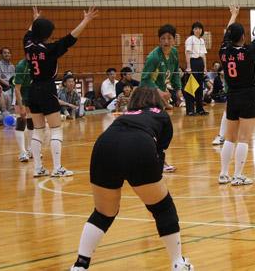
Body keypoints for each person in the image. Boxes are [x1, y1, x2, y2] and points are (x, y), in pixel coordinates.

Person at [70, 87, 194, 271]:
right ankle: (178, 263)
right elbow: (159, 153)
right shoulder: (161, 114)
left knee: (103, 213)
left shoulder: (125, 115)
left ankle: (80, 265)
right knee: (162, 207)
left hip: (104, 145)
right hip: (139, 144)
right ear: (156, 100)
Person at [25, 6, 97, 178]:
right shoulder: (50, 49)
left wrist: (35, 20)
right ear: (47, 34)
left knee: (38, 130)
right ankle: (57, 168)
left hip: (32, 89)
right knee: (56, 129)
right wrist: (86, 20)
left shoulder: (27, 45)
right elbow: (71, 38)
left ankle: (38, 168)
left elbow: (29, 32)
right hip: (46, 89)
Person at [217, 1, 255, 186]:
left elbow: (227, 35)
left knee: (230, 138)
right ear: (243, 36)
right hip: (248, 95)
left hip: (232, 96)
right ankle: (238, 175)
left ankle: (223, 174)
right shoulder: (249, 51)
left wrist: (233, 15)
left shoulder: (223, 51)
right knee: (243, 138)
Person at [140, 24, 183, 174]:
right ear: (159, 40)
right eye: (163, 38)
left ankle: (157, 160)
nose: (166, 41)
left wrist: (178, 89)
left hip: (160, 96)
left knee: (159, 130)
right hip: (147, 96)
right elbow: (144, 80)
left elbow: (175, 72)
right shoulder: (154, 57)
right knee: (155, 131)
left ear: (174, 39)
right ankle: (157, 161)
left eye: (169, 38)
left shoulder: (174, 53)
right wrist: (160, 92)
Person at [185, 21, 208, 116]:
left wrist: (205, 67)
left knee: (199, 87)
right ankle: (190, 110)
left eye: (199, 28)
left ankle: (200, 109)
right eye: (195, 28)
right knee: (191, 87)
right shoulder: (190, 39)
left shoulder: (201, 40)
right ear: (193, 30)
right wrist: (188, 67)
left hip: (200, 63)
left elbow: (203, 55)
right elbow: (187, 53)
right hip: (192, 62)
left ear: (202, 30)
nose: (198, 30)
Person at [14, 58, 34, 162]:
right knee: (21, 121)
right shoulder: (21, 66)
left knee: (31, 121)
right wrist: (21, 108)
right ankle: (22, 152)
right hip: (20, 91)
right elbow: (17, 89)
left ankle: (31, 149)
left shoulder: (39, 63)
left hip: (31, 92)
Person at [0, 47, 15, 111]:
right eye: (5, 53)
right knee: (8, 93)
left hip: (11, 85)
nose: (7, 54)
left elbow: (14, 77)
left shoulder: (12, 65)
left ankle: (14, 110)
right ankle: (7, 110)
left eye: (8, 53)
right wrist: (9, 84)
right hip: (3, 86)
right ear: (1, 55)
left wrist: (13, 84)